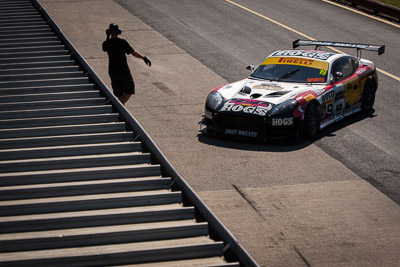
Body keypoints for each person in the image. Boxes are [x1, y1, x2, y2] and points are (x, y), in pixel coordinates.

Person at [102, 23, 151, 105]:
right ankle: (120, 106)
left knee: (119, 93)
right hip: (123, 70)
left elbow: (104, 48)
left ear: (109, 32)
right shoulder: (122, 42)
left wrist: (107, 37)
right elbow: (133, 53)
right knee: (130, 90)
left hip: (112, 71)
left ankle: (121, 107)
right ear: (118, 32)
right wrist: (143, 57)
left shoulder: (105, 44)